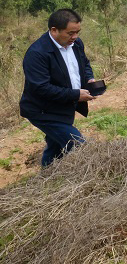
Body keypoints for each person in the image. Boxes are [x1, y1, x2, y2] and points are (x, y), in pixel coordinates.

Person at [20, 9, 97, 166]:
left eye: (77, 32)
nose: (75, 37)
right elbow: (41, 88)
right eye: (70, 33)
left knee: (55, 149)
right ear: (54, 30)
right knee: (77, 144)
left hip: (64, 107)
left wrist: (89, 79)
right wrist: (75, 95)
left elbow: (85, 64)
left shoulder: (76, 44)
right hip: (43, 111)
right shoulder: (37, 53)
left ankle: (47, 176)